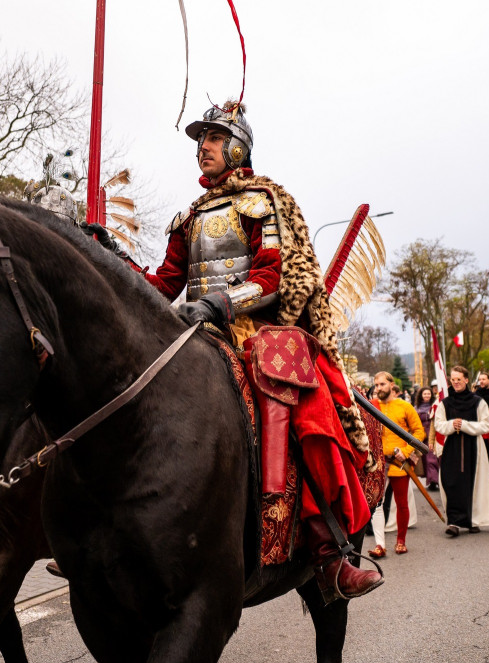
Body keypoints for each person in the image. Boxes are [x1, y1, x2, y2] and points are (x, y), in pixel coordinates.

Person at [143, 101, 382, 599]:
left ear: (237, 148)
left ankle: (327, 549)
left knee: (295, 393)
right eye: (200, 139)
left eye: (213, 138)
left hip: (251, 327)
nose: (203, 147)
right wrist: (110, 267)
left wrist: (220, 303)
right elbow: (165, 281)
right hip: (194, 326)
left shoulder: (260, 202)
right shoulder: (189, 217)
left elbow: (272, 276)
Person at [367, 372, 425, 556]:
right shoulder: (372, 406)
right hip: (378, 461)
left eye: (382, 384)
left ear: (392, 385)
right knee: (377, 504)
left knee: (401, 503)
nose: (378, 388)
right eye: (376, 385)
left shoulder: (405, 406)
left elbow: (419, 432)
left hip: (399, 461)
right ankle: (380, 545)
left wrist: (406, 452)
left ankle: (401, 541)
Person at [434, 366, 489, 536]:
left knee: (474, 484)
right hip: (451, 447)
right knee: (451, 482)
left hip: (474, 446)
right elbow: (438, 424)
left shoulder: (478, 402)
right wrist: (452, 425)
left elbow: (486, 425)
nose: (456, 382)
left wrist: (465, 425)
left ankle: (474, 520)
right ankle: (454, 522)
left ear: (466, 380)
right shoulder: (445, 403)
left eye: (459, 379)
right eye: (453, 380)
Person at [414, 386, 440, 491]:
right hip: (422, 436)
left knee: (431, 458)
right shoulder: (416, 408)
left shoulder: (435, 406)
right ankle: (431, 479)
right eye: (425, 394)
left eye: (428, 393)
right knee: (425, 459)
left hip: (432, 435)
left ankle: (434, 480)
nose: (427, 395)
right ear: (421, 395)